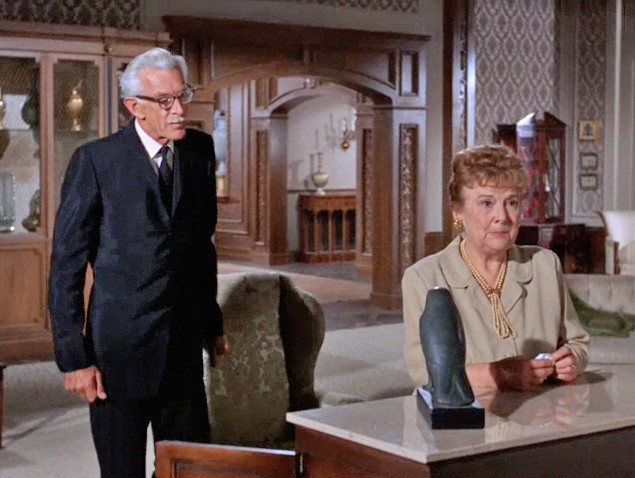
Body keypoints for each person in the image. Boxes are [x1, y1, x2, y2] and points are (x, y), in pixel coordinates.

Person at [49, 47, 228, 478]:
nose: (180, 109)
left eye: (183, 95)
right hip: (119, 352)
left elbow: (202, 247)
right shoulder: (95, 161)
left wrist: (211, 323)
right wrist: (74, 359)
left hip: (183, 348)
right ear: (134, 107)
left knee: (189, 469)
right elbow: (66, 267)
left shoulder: (200, 151)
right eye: (166, 101)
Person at [402, 144, 589, 391]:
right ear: (457, 211)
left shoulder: (545, 265)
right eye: (487, 203)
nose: (502, 217)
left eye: (512, 202)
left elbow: (577, 343)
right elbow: (425, 372)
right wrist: (501, 375)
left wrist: (572, 361)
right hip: (470, 411)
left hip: (546, 408)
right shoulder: (424, 278)